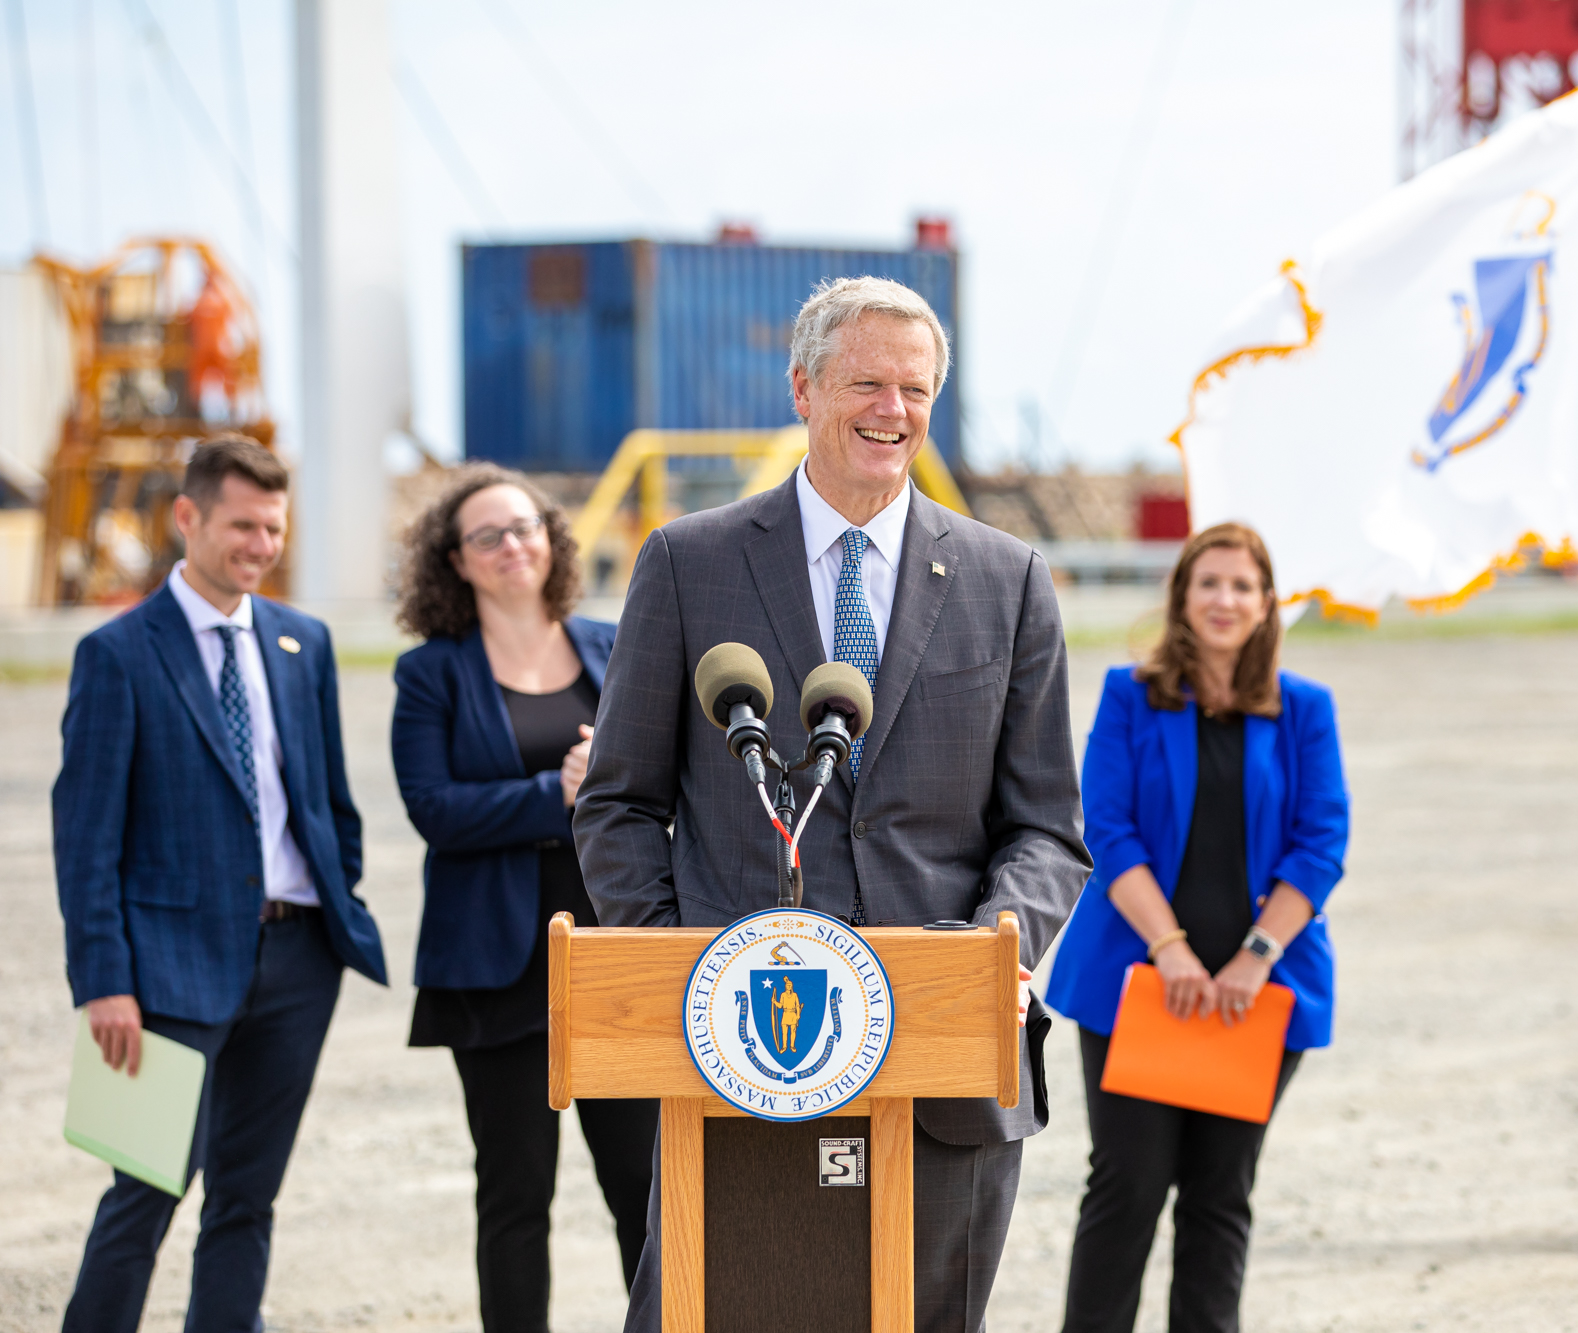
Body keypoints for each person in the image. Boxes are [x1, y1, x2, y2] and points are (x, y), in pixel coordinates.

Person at [573, 275, 1091, 1333]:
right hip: (742, 1048)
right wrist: (680, 965)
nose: (890, 411)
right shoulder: (688, 564)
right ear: (802, 387)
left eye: (913, 388)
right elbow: (618, 802)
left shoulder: (1008, 578)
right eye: (865, 381)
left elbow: (1043, 827)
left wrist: (994, 944)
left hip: (944, 1065)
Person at [52, 435, 388, 1333]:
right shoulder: (117, 654)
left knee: (247, 1199)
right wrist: (105, 982)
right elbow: (84, 838)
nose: (260, 545)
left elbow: (324, 799)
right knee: (143, 1193)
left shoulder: (301, 641)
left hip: (297, 962)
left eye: (273, 528)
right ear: (188, 518)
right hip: (164, 971)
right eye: (243, 525)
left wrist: (335, 896)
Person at [1043, 522, 1349, 1333]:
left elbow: (1321, 846)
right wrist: (1170, 948)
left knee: (1220, 1195)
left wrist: (1254, 957)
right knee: (1128, 1185)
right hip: (1139, 982)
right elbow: (1108, 833)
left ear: (1267, 603)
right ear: (1181, 595)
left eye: (1242, 585)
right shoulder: (1129, 694)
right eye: (1208, 582)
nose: (1224, 599)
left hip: (1256, 992)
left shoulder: (1305, 710)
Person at [390, 466, 655, 1333]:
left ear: (553, 539)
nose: (513, 546)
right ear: (455, 561)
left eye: (526, 527)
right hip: (497, 963)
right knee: (514, 1196)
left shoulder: (613, 646)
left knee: (645, 1190)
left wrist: (611, 783)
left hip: (614, 959)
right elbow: (433, 809)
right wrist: (559, 792)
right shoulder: (432, 672)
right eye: (488, 536)